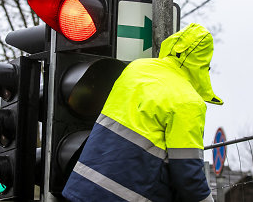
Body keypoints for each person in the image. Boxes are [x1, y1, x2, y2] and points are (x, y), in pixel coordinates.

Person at [62, 23, 223, 202]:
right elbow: (188, 175)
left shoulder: (135, 69)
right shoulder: (189, 101)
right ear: (202, 66)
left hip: (82, 189)